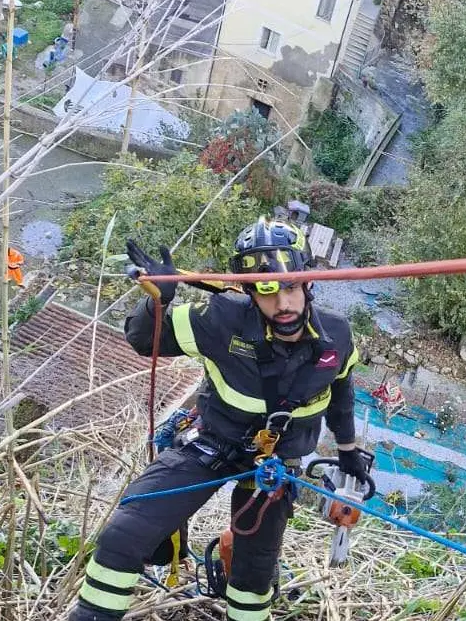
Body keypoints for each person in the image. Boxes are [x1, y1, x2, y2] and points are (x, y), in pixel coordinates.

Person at [69, 218, 372, 621]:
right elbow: (144, 340)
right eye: (266, 290)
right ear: (249, 292)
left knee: (253, 576)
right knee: (124, 535)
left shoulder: (337, 336)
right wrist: (157, 301)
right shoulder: (220, 318)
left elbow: (342, 396)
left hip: (275, 466)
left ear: (308, 283)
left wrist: (349, 451)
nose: (283, 304)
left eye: (291, 286)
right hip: (212, 443)